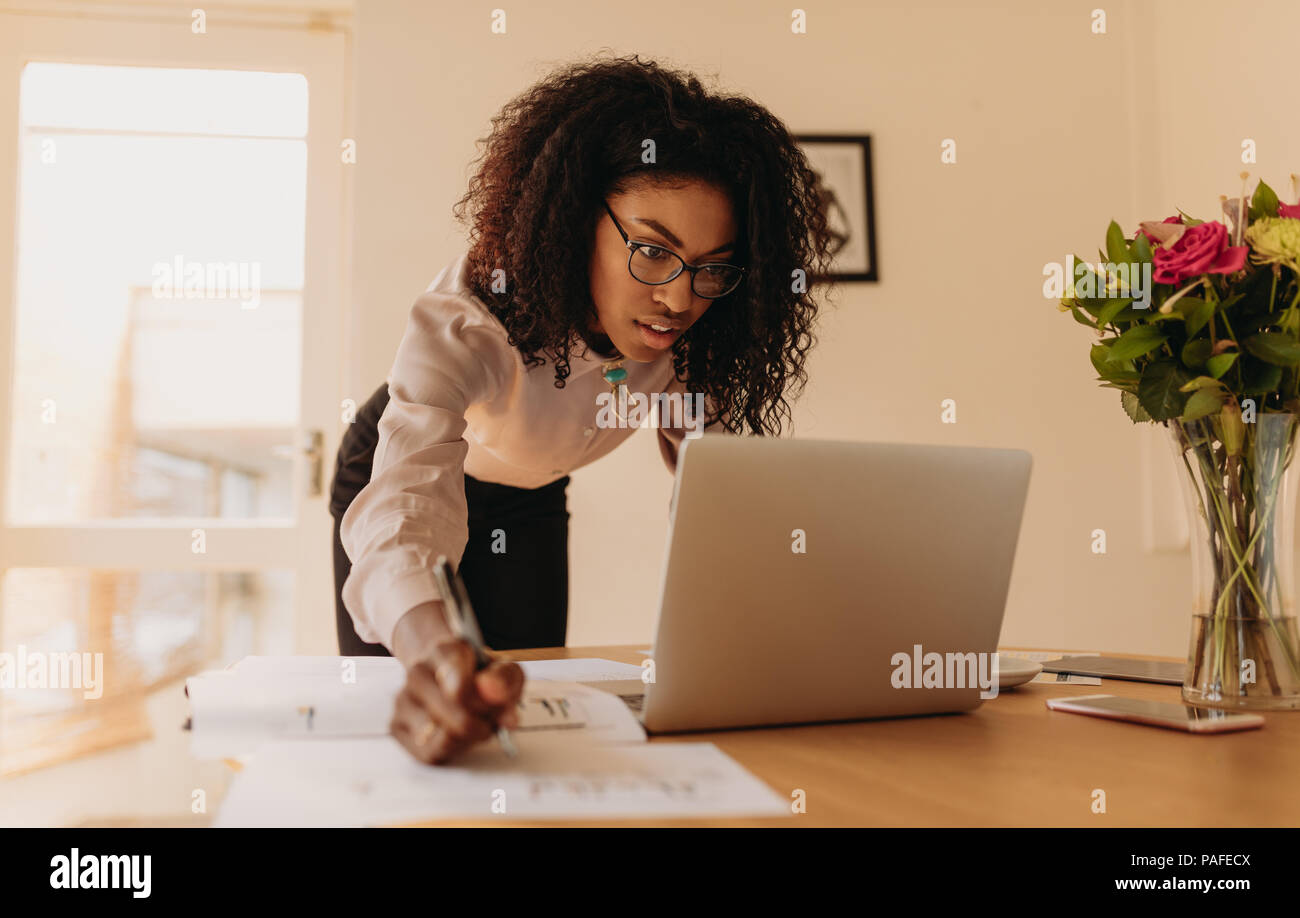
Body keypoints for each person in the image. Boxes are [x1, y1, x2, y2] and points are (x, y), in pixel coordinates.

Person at [330, 52, 836, 765]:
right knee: (423, 705)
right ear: (573, 220)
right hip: (396, 466)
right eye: (654, 252)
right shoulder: (470, 319)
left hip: (530, 497)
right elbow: (402, 516)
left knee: (515, 714)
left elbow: (723, 501)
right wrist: (431, 651)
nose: (681, 299)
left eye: (712, 267)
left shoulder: (695, 341)